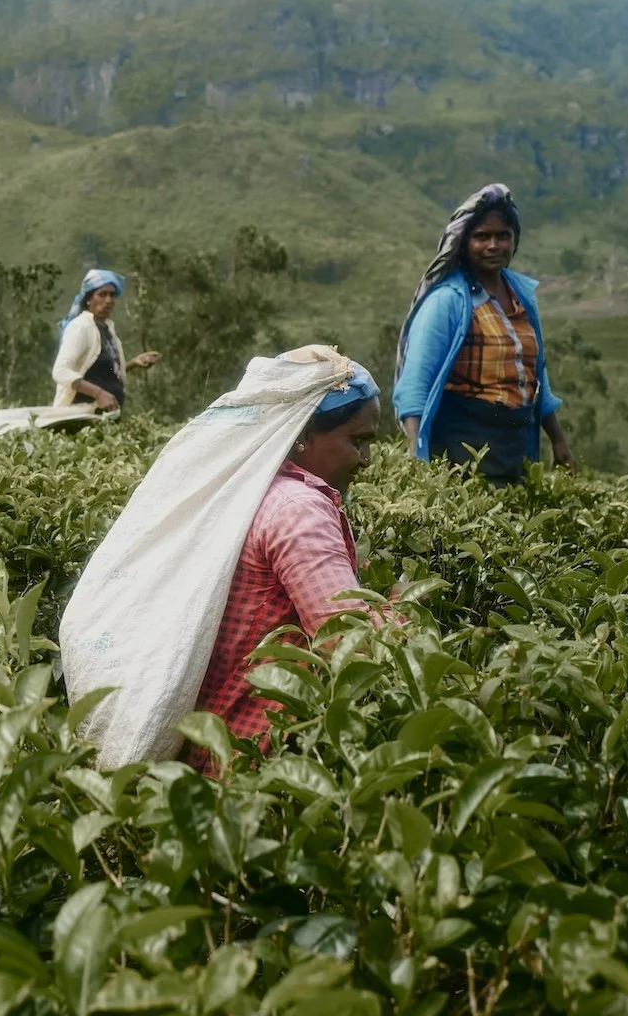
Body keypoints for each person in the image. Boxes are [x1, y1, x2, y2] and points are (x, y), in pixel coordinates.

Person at [186, 360, 382, 775]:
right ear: (304, 436)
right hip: (262, 755)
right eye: (358, 441)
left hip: (213, 743)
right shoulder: (299, 510)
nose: (365, 460)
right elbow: (344, 641)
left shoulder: (251, 488)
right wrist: (398, 616)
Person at [392, 183, 574, 483]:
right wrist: (417, 460)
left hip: (514, 445)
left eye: (503, 236)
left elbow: (532, 374)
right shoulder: (447, 301)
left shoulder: (520, 295)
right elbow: (415, 387)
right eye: (482, 237)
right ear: (464, 242)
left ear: (514, 240)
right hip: (461, 448)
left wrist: (557, 439)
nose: (493, 245)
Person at [51, 269, 161, 411]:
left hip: (106, 416)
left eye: (112, 295)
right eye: (102, 295)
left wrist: (134, 363)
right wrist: (98, 393)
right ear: (89, 298)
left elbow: (104, 374)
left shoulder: (107, 328)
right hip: (80, 416)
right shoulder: (81, 327)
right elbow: (60, 371)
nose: (108, 300)